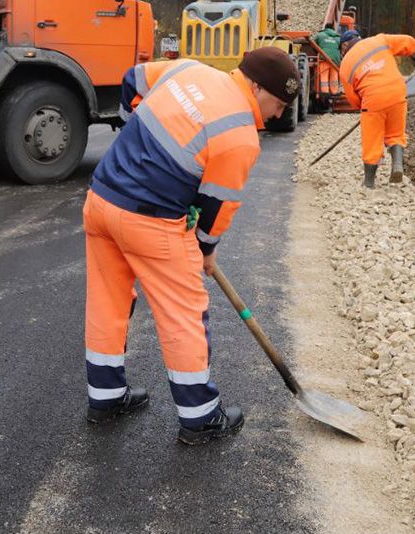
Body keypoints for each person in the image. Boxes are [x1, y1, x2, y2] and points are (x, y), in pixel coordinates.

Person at [83, 47, 301, 445]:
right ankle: (200, 417)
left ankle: (106, 395)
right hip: (150, 221)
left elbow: (132, 80)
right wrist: (205, 249)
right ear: (256, 86)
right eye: (278, 104)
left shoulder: (187, 70)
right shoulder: (241, 137)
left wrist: (133, 142)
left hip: (101, 200)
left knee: (107, 299)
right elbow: (216, 208)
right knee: (184, 313)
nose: (278, 114)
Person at [337, 29, 415, 188]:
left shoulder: (345, 65)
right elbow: (408, 42)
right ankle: (397, 164)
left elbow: (353, 99)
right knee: (396, 133)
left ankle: (369, 182)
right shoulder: (379, 40)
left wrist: (365, 107)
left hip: (372, 99)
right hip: (397, 92)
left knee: (372, 140)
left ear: (345, 45)